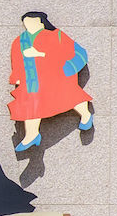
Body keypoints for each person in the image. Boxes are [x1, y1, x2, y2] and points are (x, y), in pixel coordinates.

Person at [8, 12, 94, 151]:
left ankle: (85, 115)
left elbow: (73, 52)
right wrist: (16, 76)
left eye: (32, 21)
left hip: (55, 77)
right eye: (26, 22)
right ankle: (32, 134)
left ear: (41, 22)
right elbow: (17, 61)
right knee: (29, 105)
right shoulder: (20, 41)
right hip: (32, 80)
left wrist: (41, 54)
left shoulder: (55, 35)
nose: (29, 25)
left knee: (69, 96)